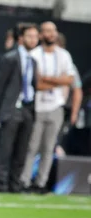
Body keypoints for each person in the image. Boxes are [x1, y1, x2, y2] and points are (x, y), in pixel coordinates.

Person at [20, 22, 75, 193]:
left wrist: (48, 80)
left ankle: (41, 183)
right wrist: (57, 81)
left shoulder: (64, 55)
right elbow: (35, 83)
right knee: (31, 146)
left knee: (49, 147)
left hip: (56, 106)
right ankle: (24, 180)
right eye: (46, 31)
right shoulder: (35, 55)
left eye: (52, 31)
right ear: (41, 34)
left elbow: (69, 80)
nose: (50, 34)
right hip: (37, 106)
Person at [0, 24, 39, 193]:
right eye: (30, 36)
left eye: (35, 36)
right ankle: (1, 184)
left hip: (27, 108)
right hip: (11, 108)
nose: (33, 40)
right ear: (21, 38)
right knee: (5, 149)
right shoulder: (10, 58)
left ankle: (15, 184)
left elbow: (33, 85)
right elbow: (0, 87)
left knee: (21, 150)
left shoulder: (33, 61)